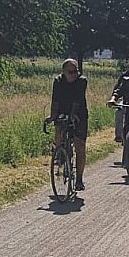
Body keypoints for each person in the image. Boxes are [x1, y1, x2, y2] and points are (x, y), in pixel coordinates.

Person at [49, 57, 89, 190]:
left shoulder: (81, 81)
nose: (74, 75)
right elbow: (55, 100)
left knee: (80, 145)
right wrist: (52, 116)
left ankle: (79, 179)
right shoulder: (58, 81)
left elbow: (78, 100)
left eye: (76, 71)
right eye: (70, 72)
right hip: (63, 110)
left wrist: (73, 116)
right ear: (63, 72)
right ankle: (61, 153)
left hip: (79, 114)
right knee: (58, 133)